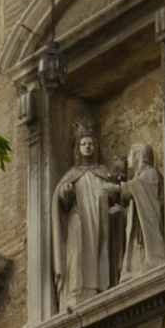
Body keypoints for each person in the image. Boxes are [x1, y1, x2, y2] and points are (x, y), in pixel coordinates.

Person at [51, 127, 120, 310]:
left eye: (91, 144)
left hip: (100, 218)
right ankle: (77, 291)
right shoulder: (72, 175)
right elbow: (61, 205)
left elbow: (116, 194)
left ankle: (101, 287)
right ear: (78, 147)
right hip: (78, 218)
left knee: (100, 248)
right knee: (77, 252)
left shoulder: (103, 172)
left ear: (96, 147)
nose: (87, 147)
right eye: (83, 144)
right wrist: (65, 192)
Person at [119, 141, 165, 280]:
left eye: (130, 156)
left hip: (150, 226)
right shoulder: (140, 178)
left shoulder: (151, 174)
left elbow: (133, 188)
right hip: (140, 228)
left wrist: (118, 188)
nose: (128, 160)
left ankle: (153, 259)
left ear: (139, 156)